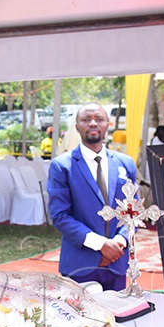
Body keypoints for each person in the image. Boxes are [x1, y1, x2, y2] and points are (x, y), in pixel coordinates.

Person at [46, 103, 136, 291]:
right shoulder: (62, 166)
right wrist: (101, 245)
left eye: (99, 119)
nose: (93, 123)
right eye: (86, 120)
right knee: (82, 318)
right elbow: (60, 216)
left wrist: (119, 242)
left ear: (107, 124)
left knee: (117, 317)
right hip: (81, 263)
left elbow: (132, 212)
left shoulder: (126, 164)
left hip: (117, 262)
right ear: (77, 127)